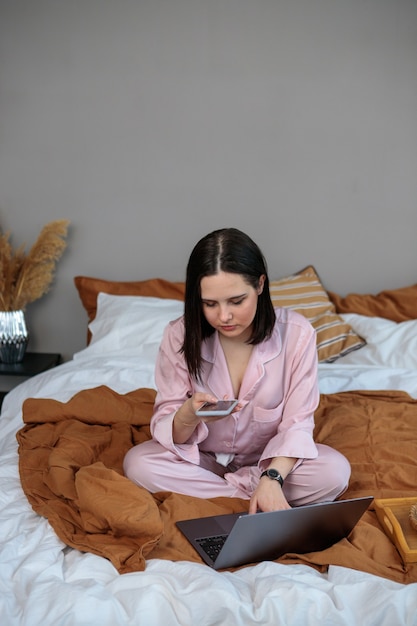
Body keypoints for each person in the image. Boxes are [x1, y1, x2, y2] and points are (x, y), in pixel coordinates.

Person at [123, 228, 350, 513]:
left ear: (260, 285)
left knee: (334, 472)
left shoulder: (297, 334)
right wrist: (187, 415)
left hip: (268, 465)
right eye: (210, 304)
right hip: (201, 463)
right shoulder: (179, 335)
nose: (224, 316)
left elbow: (297, 425)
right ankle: (254, 502)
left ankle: (237, 498)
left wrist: (272, 478)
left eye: (236, 301)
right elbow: (171, 433)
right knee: (139, 464)